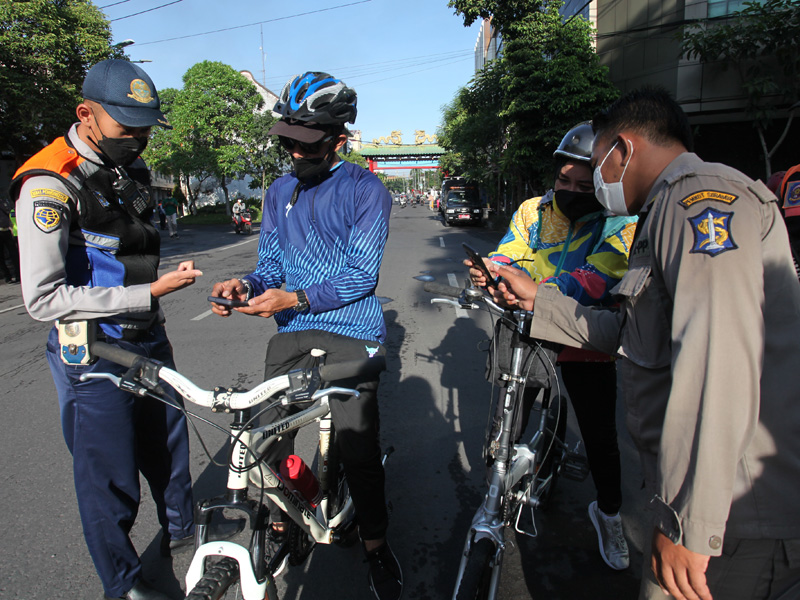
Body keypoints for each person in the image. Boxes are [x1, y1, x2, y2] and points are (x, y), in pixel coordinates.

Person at [491, 87, 800, 600]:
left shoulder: (698, 200)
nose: (592, 183)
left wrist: (690, 525)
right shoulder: (661, 213)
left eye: (595, 166)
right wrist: (536, 301)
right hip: (712, 503)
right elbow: (634, 336)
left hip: (733, 511)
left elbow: (718, 360)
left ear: (623, 150)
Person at [10, 59, 214, 600]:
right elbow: (44, 298)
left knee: (170, 452)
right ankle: (122, 585)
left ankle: (182, 533)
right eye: (128, 127)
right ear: (87, 114)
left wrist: (153, 300)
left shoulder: (130, 170)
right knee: (110, 478)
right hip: (94, 352)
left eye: (146, 128)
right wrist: (147, 293)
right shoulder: (49, 182)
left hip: (149, 334)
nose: (139, 139)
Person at [209, 71, 402, 600]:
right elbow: (270, 263)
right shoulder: (278, 192)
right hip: (292, 330)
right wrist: (245, 284)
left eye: (307, 143)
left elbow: (364, 275)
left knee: (359, 450)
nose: (294, 153)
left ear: (339, 139)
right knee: (267, 441)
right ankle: (283, 515)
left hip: (352, 331)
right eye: (288, 140)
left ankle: (376, 545)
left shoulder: (367, 190)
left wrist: (295, 298)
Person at [467, 122, 637, 571]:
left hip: (583, 336)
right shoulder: (533, 210)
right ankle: (499, 485)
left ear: (601, 183)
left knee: (600, 436)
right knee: (508, 421)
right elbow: (509, 250)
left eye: (583, 185)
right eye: (563, 180)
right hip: (525, 329)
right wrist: (491, 270)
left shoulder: (619, 220)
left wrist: (537, 289)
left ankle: (609, 513)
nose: (569, 190)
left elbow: (600, 277)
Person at [0, 196, 19, 284]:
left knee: (14, 254)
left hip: (7, 230)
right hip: (3, 230)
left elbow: (9, 213)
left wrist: (11, 226)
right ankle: (7, 276)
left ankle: (17, 274)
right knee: (1, 257)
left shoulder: (3, 201)